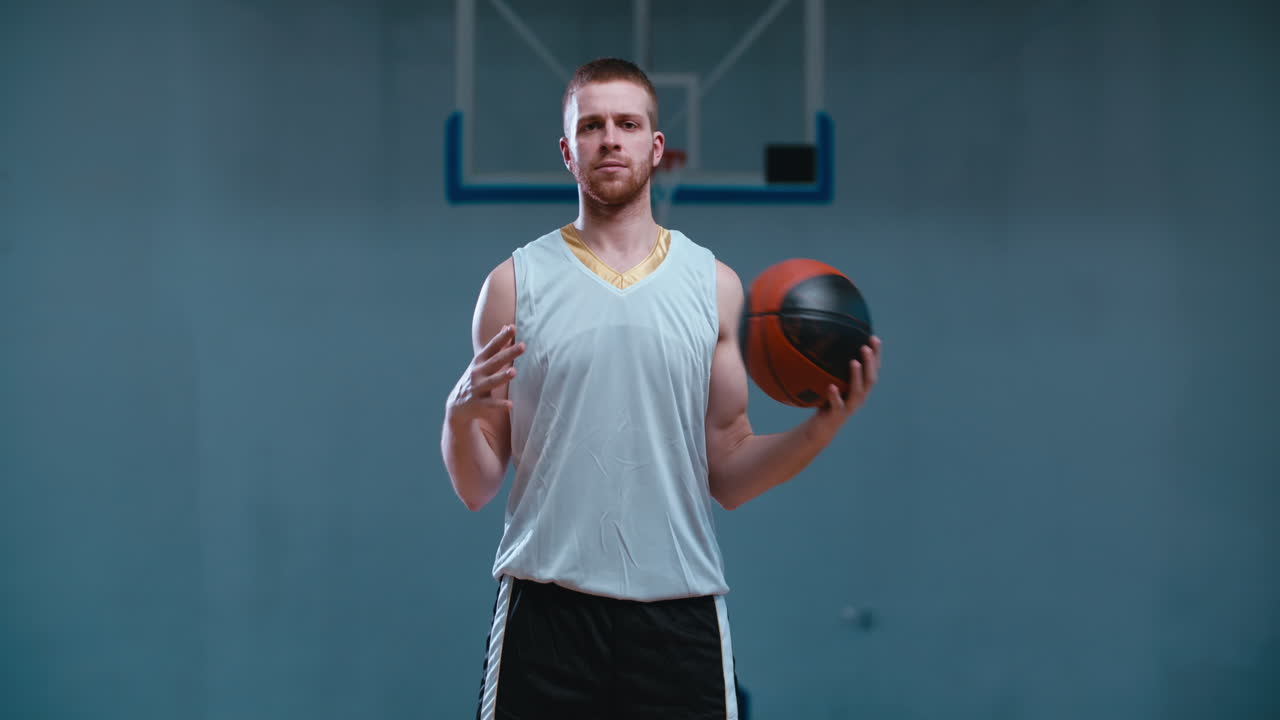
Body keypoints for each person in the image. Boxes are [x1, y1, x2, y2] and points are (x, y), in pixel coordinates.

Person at [441, 57, 882, 720]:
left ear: (655, 147)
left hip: (679, 612)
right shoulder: (513, 284)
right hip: (547, 608)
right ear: (568, 151)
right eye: (591, 126)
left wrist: (818, 430)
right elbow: (477, 488)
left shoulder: (714, 287)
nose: (609, 138)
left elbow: (729, 471)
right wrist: (458, 417)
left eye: (626, 123)